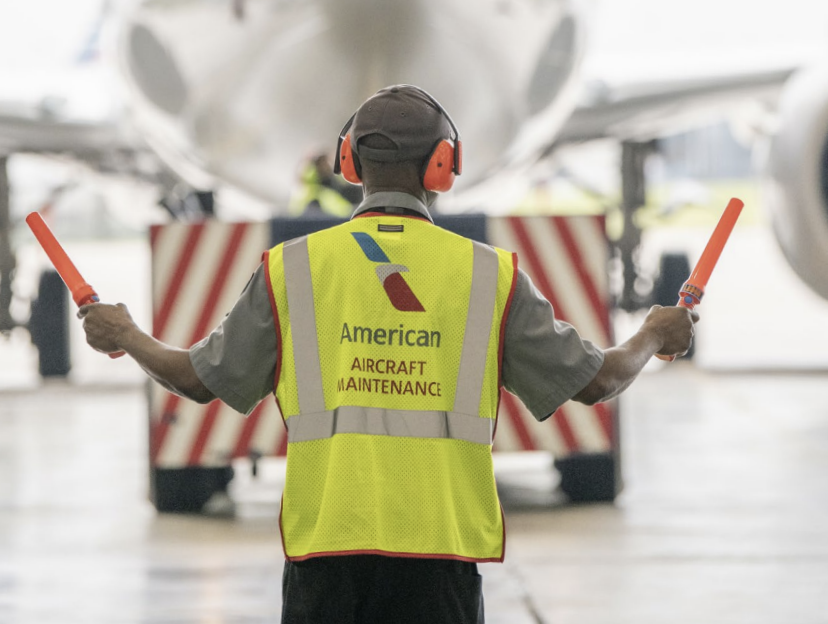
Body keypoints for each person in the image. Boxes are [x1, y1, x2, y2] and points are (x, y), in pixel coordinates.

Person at [79, 85, 697, 624]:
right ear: (442, 166)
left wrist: (126, 333)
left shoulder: (291, 270)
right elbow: (597, 382)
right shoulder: (489, 276)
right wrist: (652, 334)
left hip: (325, 560)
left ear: (348, 161)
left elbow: (198, 380)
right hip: (441, 563)